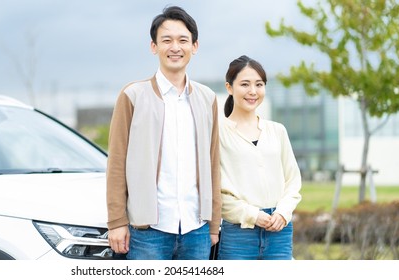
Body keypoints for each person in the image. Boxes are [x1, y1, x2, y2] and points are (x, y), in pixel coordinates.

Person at [106, 5, 221, 260]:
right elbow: (116, 164)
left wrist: (214, 223)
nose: (175, 47)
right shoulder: (133, 95)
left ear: (195, 46)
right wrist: (116, 221)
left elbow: (213, 164)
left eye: (183, 40)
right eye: (166, 40)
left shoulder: (207, 98)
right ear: (153, 46)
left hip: (197, 230)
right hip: (149, 232)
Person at [217, 55, 302, 260]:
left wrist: (282, 213)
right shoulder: (218, 132)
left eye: (259, 84)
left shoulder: (277, 131)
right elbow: (216, 192)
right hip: (239, 235)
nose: (253, 91)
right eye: (245, 84)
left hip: (279, 232)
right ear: (229, 87)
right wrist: (254, 215)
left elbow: (293, 181)